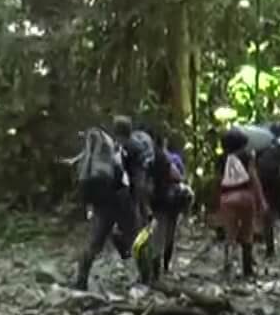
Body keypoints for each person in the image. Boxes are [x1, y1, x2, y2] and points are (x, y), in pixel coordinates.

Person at [73, 121, 140, 290]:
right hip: (117, 198)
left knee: (95, 242)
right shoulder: (122, 149)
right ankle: (146, 276)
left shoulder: (100, 152)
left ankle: (81, 280)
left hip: (100, 200)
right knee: (136, 236)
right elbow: (127, 178)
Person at [216, 127, 267, 279]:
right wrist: (261, 200)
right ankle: (247, 269)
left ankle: (228, 266)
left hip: (226, 198)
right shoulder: (246, 156)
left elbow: (217, 181)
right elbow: (253, 178)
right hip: (246, 196)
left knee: (229, 235)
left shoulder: (221, 159)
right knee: (247, 232)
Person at [141, 134, 193, 282]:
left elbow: (145, 184)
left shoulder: (148, 160)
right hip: (172, 200)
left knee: (157, 236)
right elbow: (179, 176)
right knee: (170, 234)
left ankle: (155, 271)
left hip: (156, 202)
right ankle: (165, 266)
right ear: (165, 141)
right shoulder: (172, 159)